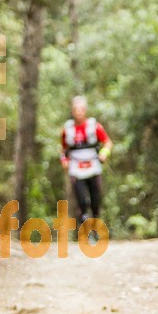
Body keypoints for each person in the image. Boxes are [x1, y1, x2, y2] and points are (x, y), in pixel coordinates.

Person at [60, 95, 113, 227]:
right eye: (76, 109)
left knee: (96, 199)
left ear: (85, 110)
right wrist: (64, 160)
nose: (78, 112)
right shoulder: (67, 130)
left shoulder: (95, 126)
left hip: (93, 167)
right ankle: (84, 225)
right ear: (72, 111)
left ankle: (95, 223)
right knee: (82, 201)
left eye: (81, 109)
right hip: (76, 169)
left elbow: (107, 142)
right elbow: (63, 150)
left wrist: (104, 153)